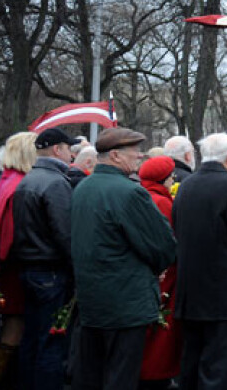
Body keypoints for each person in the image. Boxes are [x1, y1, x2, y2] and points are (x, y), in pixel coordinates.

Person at [71, 128, 177, 390]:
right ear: (116, 155)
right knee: (121, 376)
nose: (140, 158)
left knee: (92, 375)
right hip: (125, 303)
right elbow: (162, 246)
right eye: (135, 153)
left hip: (92, 300)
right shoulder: (130, 192)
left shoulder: (84, 187)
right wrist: (156, 267)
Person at [173, 133, 227, 390]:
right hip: (222, 291)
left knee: (191, 360)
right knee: (217, 365)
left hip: (190, 287)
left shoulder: (187, 185)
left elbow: (176, 227)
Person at [13, 127, 80, 390]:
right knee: (51, 342)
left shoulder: (29, 179)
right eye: (68, 148)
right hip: (50, 272)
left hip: (31, 269)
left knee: (32, 338)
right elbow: (66, 234)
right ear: (57, 149)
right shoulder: (55, 182)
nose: (71, 154)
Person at [0, 132, 37, 388]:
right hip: (15, 269)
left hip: (4, 267)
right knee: (14, 328)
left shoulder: (6, 181)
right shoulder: (19, 185)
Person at [136, 156, 184, 388]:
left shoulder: (142, 196)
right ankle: (156, 373)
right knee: (160, 332)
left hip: (149, 275)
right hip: (165, 276)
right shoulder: (162, 203)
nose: (173, 179)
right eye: (171, 176)